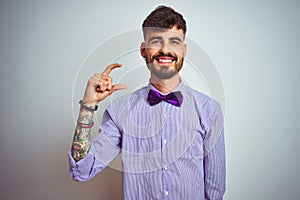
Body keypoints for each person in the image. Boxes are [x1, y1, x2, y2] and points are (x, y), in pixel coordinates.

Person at [69, 5, 225, 200]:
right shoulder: (120, 111)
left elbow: (215, 190)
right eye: (156, 41)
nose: (165, 50)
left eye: (174, 42)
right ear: (144, 50)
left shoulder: (209, 110)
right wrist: (87, 106)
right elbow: (82, 170)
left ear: (184, 50)